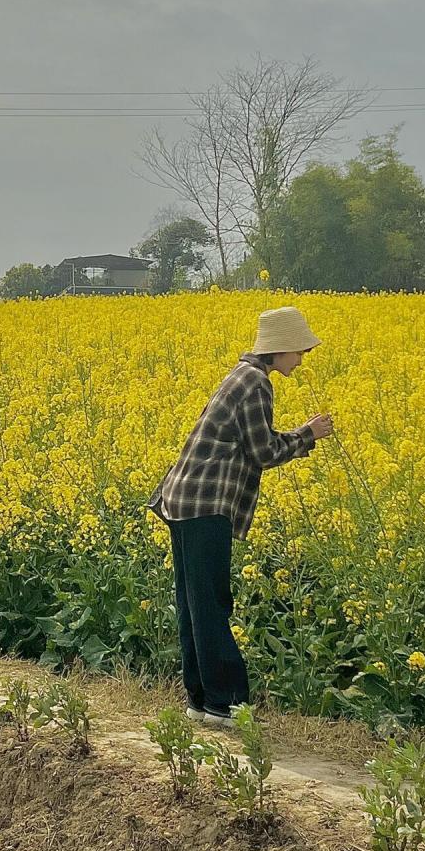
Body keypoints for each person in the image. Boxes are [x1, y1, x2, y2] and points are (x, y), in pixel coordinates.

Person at [148, 306, 334, 727]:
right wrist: (308, 434)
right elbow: (264, 452)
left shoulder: (241, 375)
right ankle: (226, 704)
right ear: (281, 349)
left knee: (194, 603)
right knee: (211, 602)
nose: (302, 359)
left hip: (186, 501)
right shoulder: (256, 383)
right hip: (204, 504)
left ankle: (200, 699)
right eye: (300, 351)